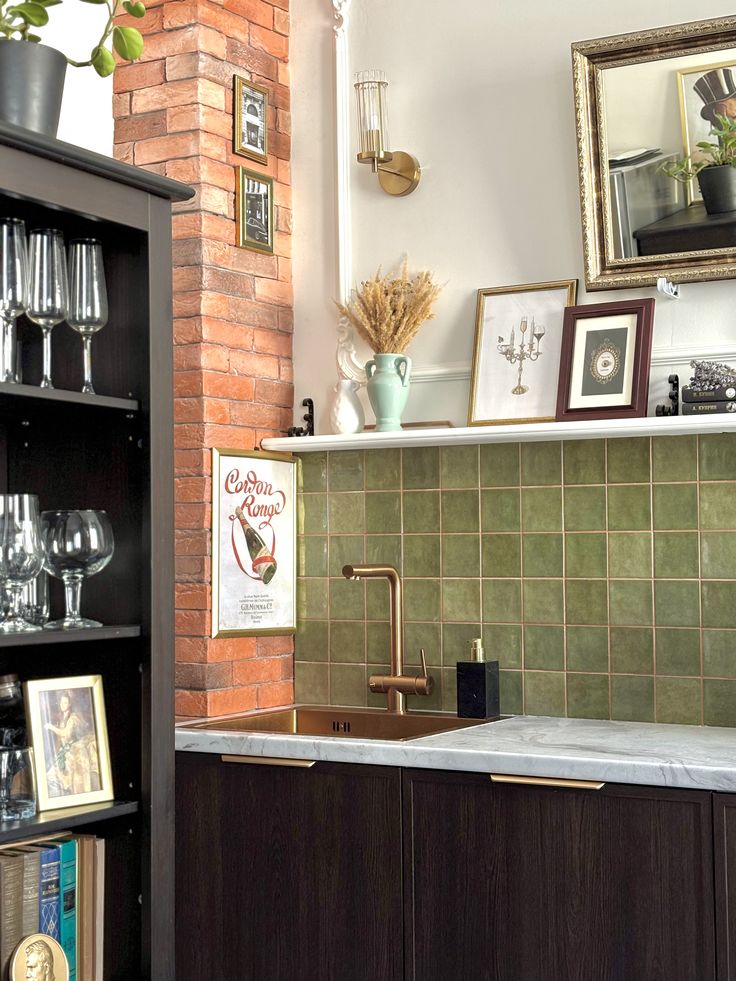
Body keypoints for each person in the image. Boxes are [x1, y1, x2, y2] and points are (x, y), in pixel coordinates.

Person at [43, 691, 99, 797]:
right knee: (51, 777)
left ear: (69, 704)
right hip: (66, 752)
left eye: (65, 703)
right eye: (61, 702)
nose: (62, 705)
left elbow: (65, 733)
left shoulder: (73, 718)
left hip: (76, 754)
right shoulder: (63, 717)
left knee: (76, 784)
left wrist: (51, 727)